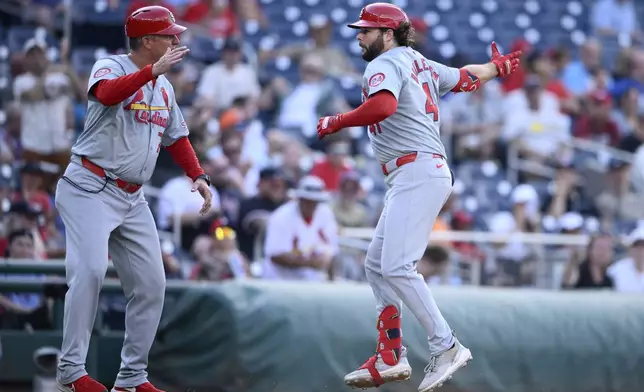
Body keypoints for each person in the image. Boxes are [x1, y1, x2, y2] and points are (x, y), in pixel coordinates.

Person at [316, 3, 521, 391]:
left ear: (388, 34)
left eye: (366, 30)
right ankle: (390, 354)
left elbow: (384, 105)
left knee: (396, 266)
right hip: (417, 171)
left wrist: (337, 121)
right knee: (377, 265)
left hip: (416, 170)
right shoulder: (418, 61)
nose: (358, 35)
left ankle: (445, 345)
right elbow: (464, 78)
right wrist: (497, 69)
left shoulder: (384, 64)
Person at [54, 6, 213, 392]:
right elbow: (107, 95)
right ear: (147, 41)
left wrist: (197, 175)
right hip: (90, 185)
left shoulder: (165, 86)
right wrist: (149, 72)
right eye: (169, 35)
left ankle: (130, 378)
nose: (176, 41)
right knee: (90, 270)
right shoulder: (110, 66)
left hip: (132, 196)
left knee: (151, 284)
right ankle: (71, 371)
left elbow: (175, 137)